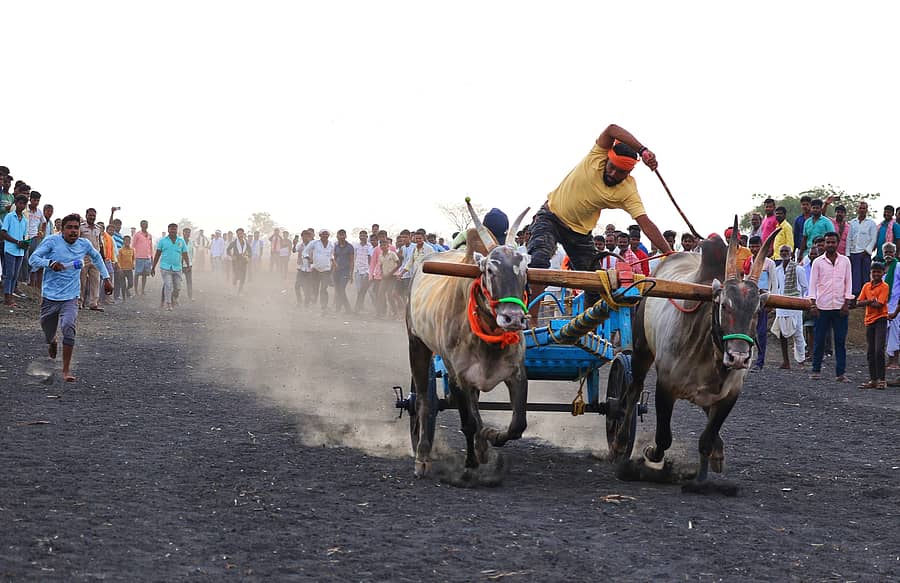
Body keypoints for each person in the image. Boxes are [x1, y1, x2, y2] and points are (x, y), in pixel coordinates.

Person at [525, 124, 672, 324]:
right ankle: (531, 319)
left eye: (620, 172)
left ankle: (586, 329)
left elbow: (645, 223)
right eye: (611, 167)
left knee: (595, 283)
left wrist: (670, 253)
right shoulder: (598, 154)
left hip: (580, 234)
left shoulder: (628, 190)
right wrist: (643, 150)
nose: (612, 173)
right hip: (550, 216)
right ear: (607, 158)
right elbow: (612, 128)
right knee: (540, 259)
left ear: (628, 173)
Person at [28, 214, 113, 382]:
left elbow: (97, 257)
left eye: (76, 228)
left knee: (68, 326)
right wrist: (50, 263)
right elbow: (33, 259)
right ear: (62, 230)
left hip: (71, 296)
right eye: (70, 228)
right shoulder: (52, 241)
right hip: (50, 296)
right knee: (48, 331)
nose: (74, 231)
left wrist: (106, 278)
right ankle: (52, 340)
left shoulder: (84, 244)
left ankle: (66, 370)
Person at [808, 232, 853, 382]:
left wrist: (847, 303)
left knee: (840, 341)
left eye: (833, 242)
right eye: (828, 242)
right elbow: (812, 284)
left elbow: (848, 283)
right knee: (819, 340)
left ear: (838, 243)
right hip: (822, 306)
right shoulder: (818, 262)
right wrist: (813, 304)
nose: (830, 245)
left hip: (840, 307)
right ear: (824, 244)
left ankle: (840, 373)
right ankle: (816, 370)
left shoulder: (845, 261)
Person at [742, 235, 777, 371]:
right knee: (748, 330)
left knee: (761, 332)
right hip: (750, 301)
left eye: (757, 246)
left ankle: (760, 361)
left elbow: (774, 283)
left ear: (762, 246)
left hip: (763, 300)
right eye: (752, 246)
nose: (754, 248)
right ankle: (748, 357)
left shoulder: (769, 263)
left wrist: (772, 301)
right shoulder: (747, 262)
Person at [771, 244, 808, 369]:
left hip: (795, 305)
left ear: (791, 253)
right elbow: (776, 288)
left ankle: (801, 361)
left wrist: (799, 300)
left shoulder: (798, 269)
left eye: (786, 251)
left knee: (798, 333)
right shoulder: (777, 270)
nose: (784, 253)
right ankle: (786, 361)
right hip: (781, 305)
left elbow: (805, 287)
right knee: (782, 334)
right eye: (782, 251)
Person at [856, 262, 889, 389]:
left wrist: (867, 302)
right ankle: (873, 379)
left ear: (883, 273)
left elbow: (879, 304)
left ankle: (882, 379)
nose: (876, 274)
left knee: (879, 350)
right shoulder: (866, 286)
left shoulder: (884, 286)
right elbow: (858, 302)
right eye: (874, 272)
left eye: (878, 272)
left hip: (881, 319)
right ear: (871, 273)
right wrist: (870, 301)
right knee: (870, 351)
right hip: (869, 320)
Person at [150, 223, 190, 310]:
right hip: (165, 267)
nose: (173, 231)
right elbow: (157, 254)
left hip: (177, 267)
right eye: (171, 229)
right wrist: (153, 267)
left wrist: (188, 265)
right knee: (168, 285)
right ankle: (168, 304)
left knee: (178, 287)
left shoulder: (181, 241)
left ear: (177, 230)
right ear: (168, 230)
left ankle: (174, 298)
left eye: (174, 229)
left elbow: (185, 254)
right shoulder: (162, 241)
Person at [1, 195, 30, 306]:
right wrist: (16, 242)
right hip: (10, 249)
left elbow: (24, 237)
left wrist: (25, 243)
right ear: (15, 203)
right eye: (20, 203)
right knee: (9, 274)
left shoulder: (24, 220)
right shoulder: (9, 216)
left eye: (23, 204)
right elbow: (3, 233)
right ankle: (7, 297)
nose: (21, 205)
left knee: (15, 275)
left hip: (20, 251)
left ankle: (10, 296)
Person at [847, 201, 877, 296]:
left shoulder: (871, 223)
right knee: (854, 275)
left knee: (865, 276)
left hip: (865, 253)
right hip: (853, 252)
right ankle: (855, 296)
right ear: (857, 209)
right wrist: (848, 254)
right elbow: (849, 238)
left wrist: (867, 251)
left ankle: (865, 296)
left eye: (864, 208)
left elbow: (873, 239)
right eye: (860, 208)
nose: (862, 210)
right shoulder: (852, 223)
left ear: (866, 210)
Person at [304, 229, 334, 312]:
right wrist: (309, 258)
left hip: (326, 270)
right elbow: (305, 252)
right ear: (320, 235)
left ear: (328, 235)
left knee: (324, 288)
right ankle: (313, 301)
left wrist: (333, 263)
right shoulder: (314, 243)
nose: (325, 236)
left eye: (326, 234)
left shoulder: (331, 245)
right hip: (315, 269)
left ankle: (324, 305)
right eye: (323, 234)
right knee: (315, 287)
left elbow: (331, 256)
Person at [332, 229, 355, 313]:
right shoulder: (336, 246)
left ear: (345, 236)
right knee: (338, 290)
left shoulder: (350, 247)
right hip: (336, 271)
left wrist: (351, 274)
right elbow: (333, 258)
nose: (341, 237)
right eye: (340, 235)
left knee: (341, 289)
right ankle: (345, 308)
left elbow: (352, 261)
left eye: (343, 235)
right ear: (337, 236)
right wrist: (334, 266)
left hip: (345, 271)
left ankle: (341, 308)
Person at [352, 230, 373, 313]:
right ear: (359, 237)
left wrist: (369, 270)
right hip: (357, 269)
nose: (362, 237)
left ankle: (375, 305)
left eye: (364, 235)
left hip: (367, 270)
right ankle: (361, 305)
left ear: (367, 237)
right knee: (359, 289)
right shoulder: (356, 246)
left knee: (368, 290)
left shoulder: (370, 246)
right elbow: (354, 256)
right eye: (361, 235)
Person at [133, 220, 154, 296]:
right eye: (143, 224)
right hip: (139, 257)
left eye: (146, 224)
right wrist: (133, 257)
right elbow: (133, 246)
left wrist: (152, 258)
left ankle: (142, 290)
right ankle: (135, 291)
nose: (145, 225)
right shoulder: (137, 234)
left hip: (147, 258)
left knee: (145, 275)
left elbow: (151, 247)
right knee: (137, 274)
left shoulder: (149, 235)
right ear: (141, 225)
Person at [226, 227, 250, 294]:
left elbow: (250, 251)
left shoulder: (246, 243)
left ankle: (240, 291)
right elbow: (228, 250)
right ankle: (234, 288)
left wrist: (248, 257)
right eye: (239, 234)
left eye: (241, 233)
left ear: (243, 234)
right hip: (236, 262)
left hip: (244, 262)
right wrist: (231, 256)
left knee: (243, 277)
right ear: (237, 234)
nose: (240, 235)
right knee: (236, 276)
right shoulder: (234, 243)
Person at [117, 235, 135, 301]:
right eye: (126, 240)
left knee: (131, 284)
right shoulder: (121, 250)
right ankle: (124, 298)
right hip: (122, 269)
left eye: (128, 240)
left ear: (130, 241)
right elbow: (118, 260)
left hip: (129, 269)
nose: (127, 242)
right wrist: (120, 268)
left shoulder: (132, 249)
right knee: (123, 284)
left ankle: (127, 290)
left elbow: (133, 258)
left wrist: (133, 265)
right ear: (123, 241)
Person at [182, 228, 195, 300]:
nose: (187, 234)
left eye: (189, 232)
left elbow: (192, 253)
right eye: (186, 232)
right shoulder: (180, 241)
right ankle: (175, 296)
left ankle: (190, 296)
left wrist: (190, 263)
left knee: (189, 281)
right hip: (180, 264)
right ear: (183, 233)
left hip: (188, 265)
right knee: (177, 281)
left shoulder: (191, 242)